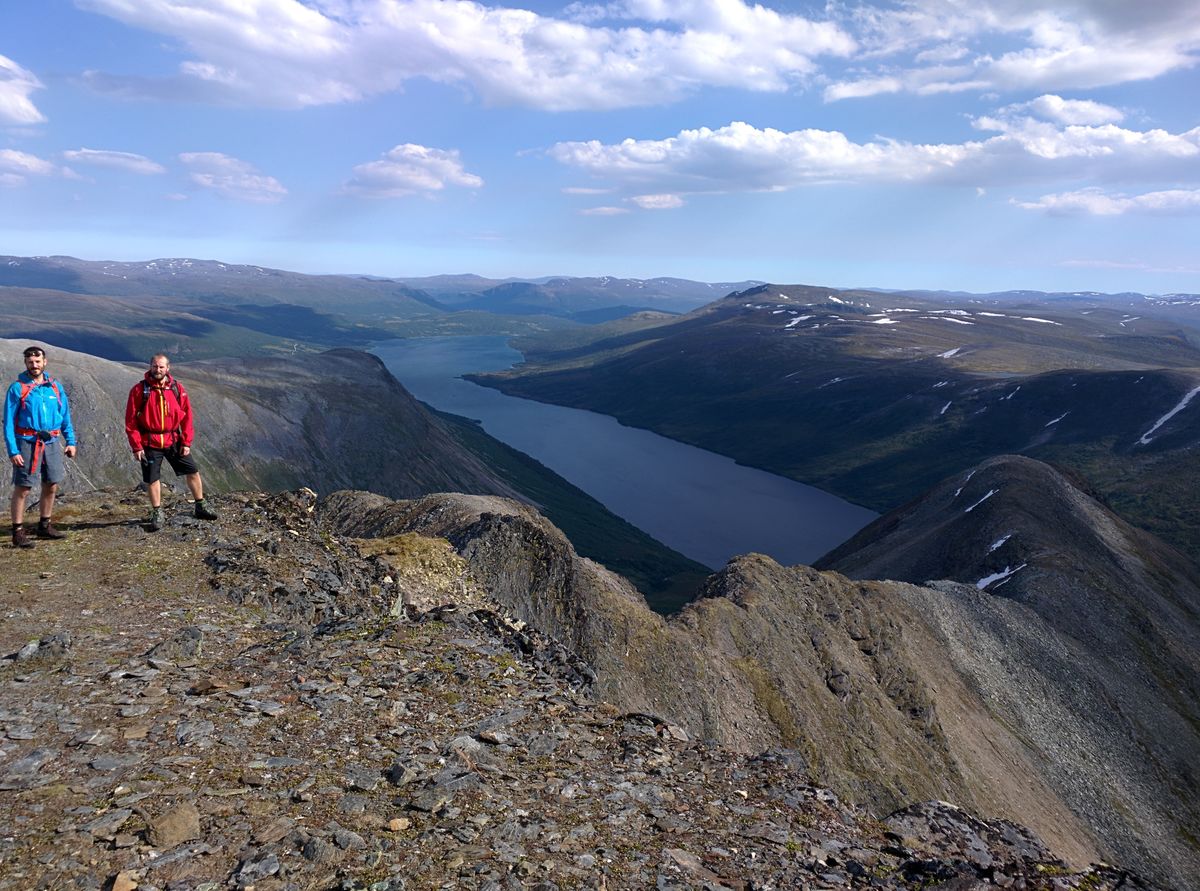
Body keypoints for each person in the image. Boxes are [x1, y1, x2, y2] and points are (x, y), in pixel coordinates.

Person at [124, 354, 217, 530]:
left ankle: (200, 505)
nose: (157, 370)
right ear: (150, 367)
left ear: (168, 368)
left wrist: (186, 442)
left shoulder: (177, 389)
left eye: (161, 367)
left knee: (193, 471)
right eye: (154, 366)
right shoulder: (139, 390)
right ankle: (157, 511)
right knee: (152, 479)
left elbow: (187, 417)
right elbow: (131, 422)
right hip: (150, 441)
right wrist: (136, 446)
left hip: (173, 439)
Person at [5, 345, 77, 548]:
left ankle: (44, 525)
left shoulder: (55, 387)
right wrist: (13, 450)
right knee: (24, 487)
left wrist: (70, 441)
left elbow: (65, 416)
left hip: (52, 442)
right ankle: (17, 531)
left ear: (45, 362)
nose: (34, 365)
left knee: (52, 484)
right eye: (30, 362)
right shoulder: (17, 388)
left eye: (38, 361)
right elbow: (8, 422)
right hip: (27, 442)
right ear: (25, 363)